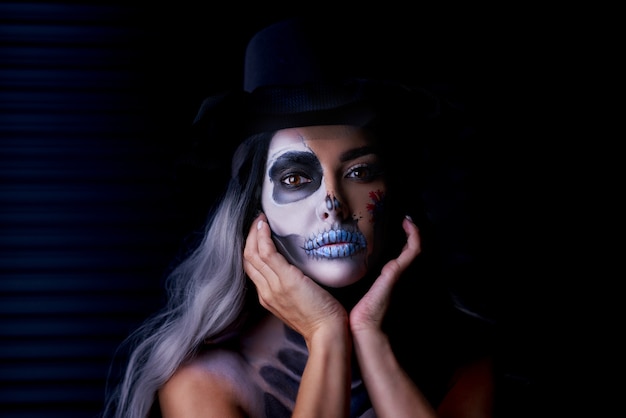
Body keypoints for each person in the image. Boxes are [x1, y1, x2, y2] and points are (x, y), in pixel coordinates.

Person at [102, 17, 497, 418]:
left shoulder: (460, 364)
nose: (333, 203)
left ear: (394, 193)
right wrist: (325, 333)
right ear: (255, 213)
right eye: (295, 177)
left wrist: (367, 338)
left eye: (359, 173)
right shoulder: (204, 382)